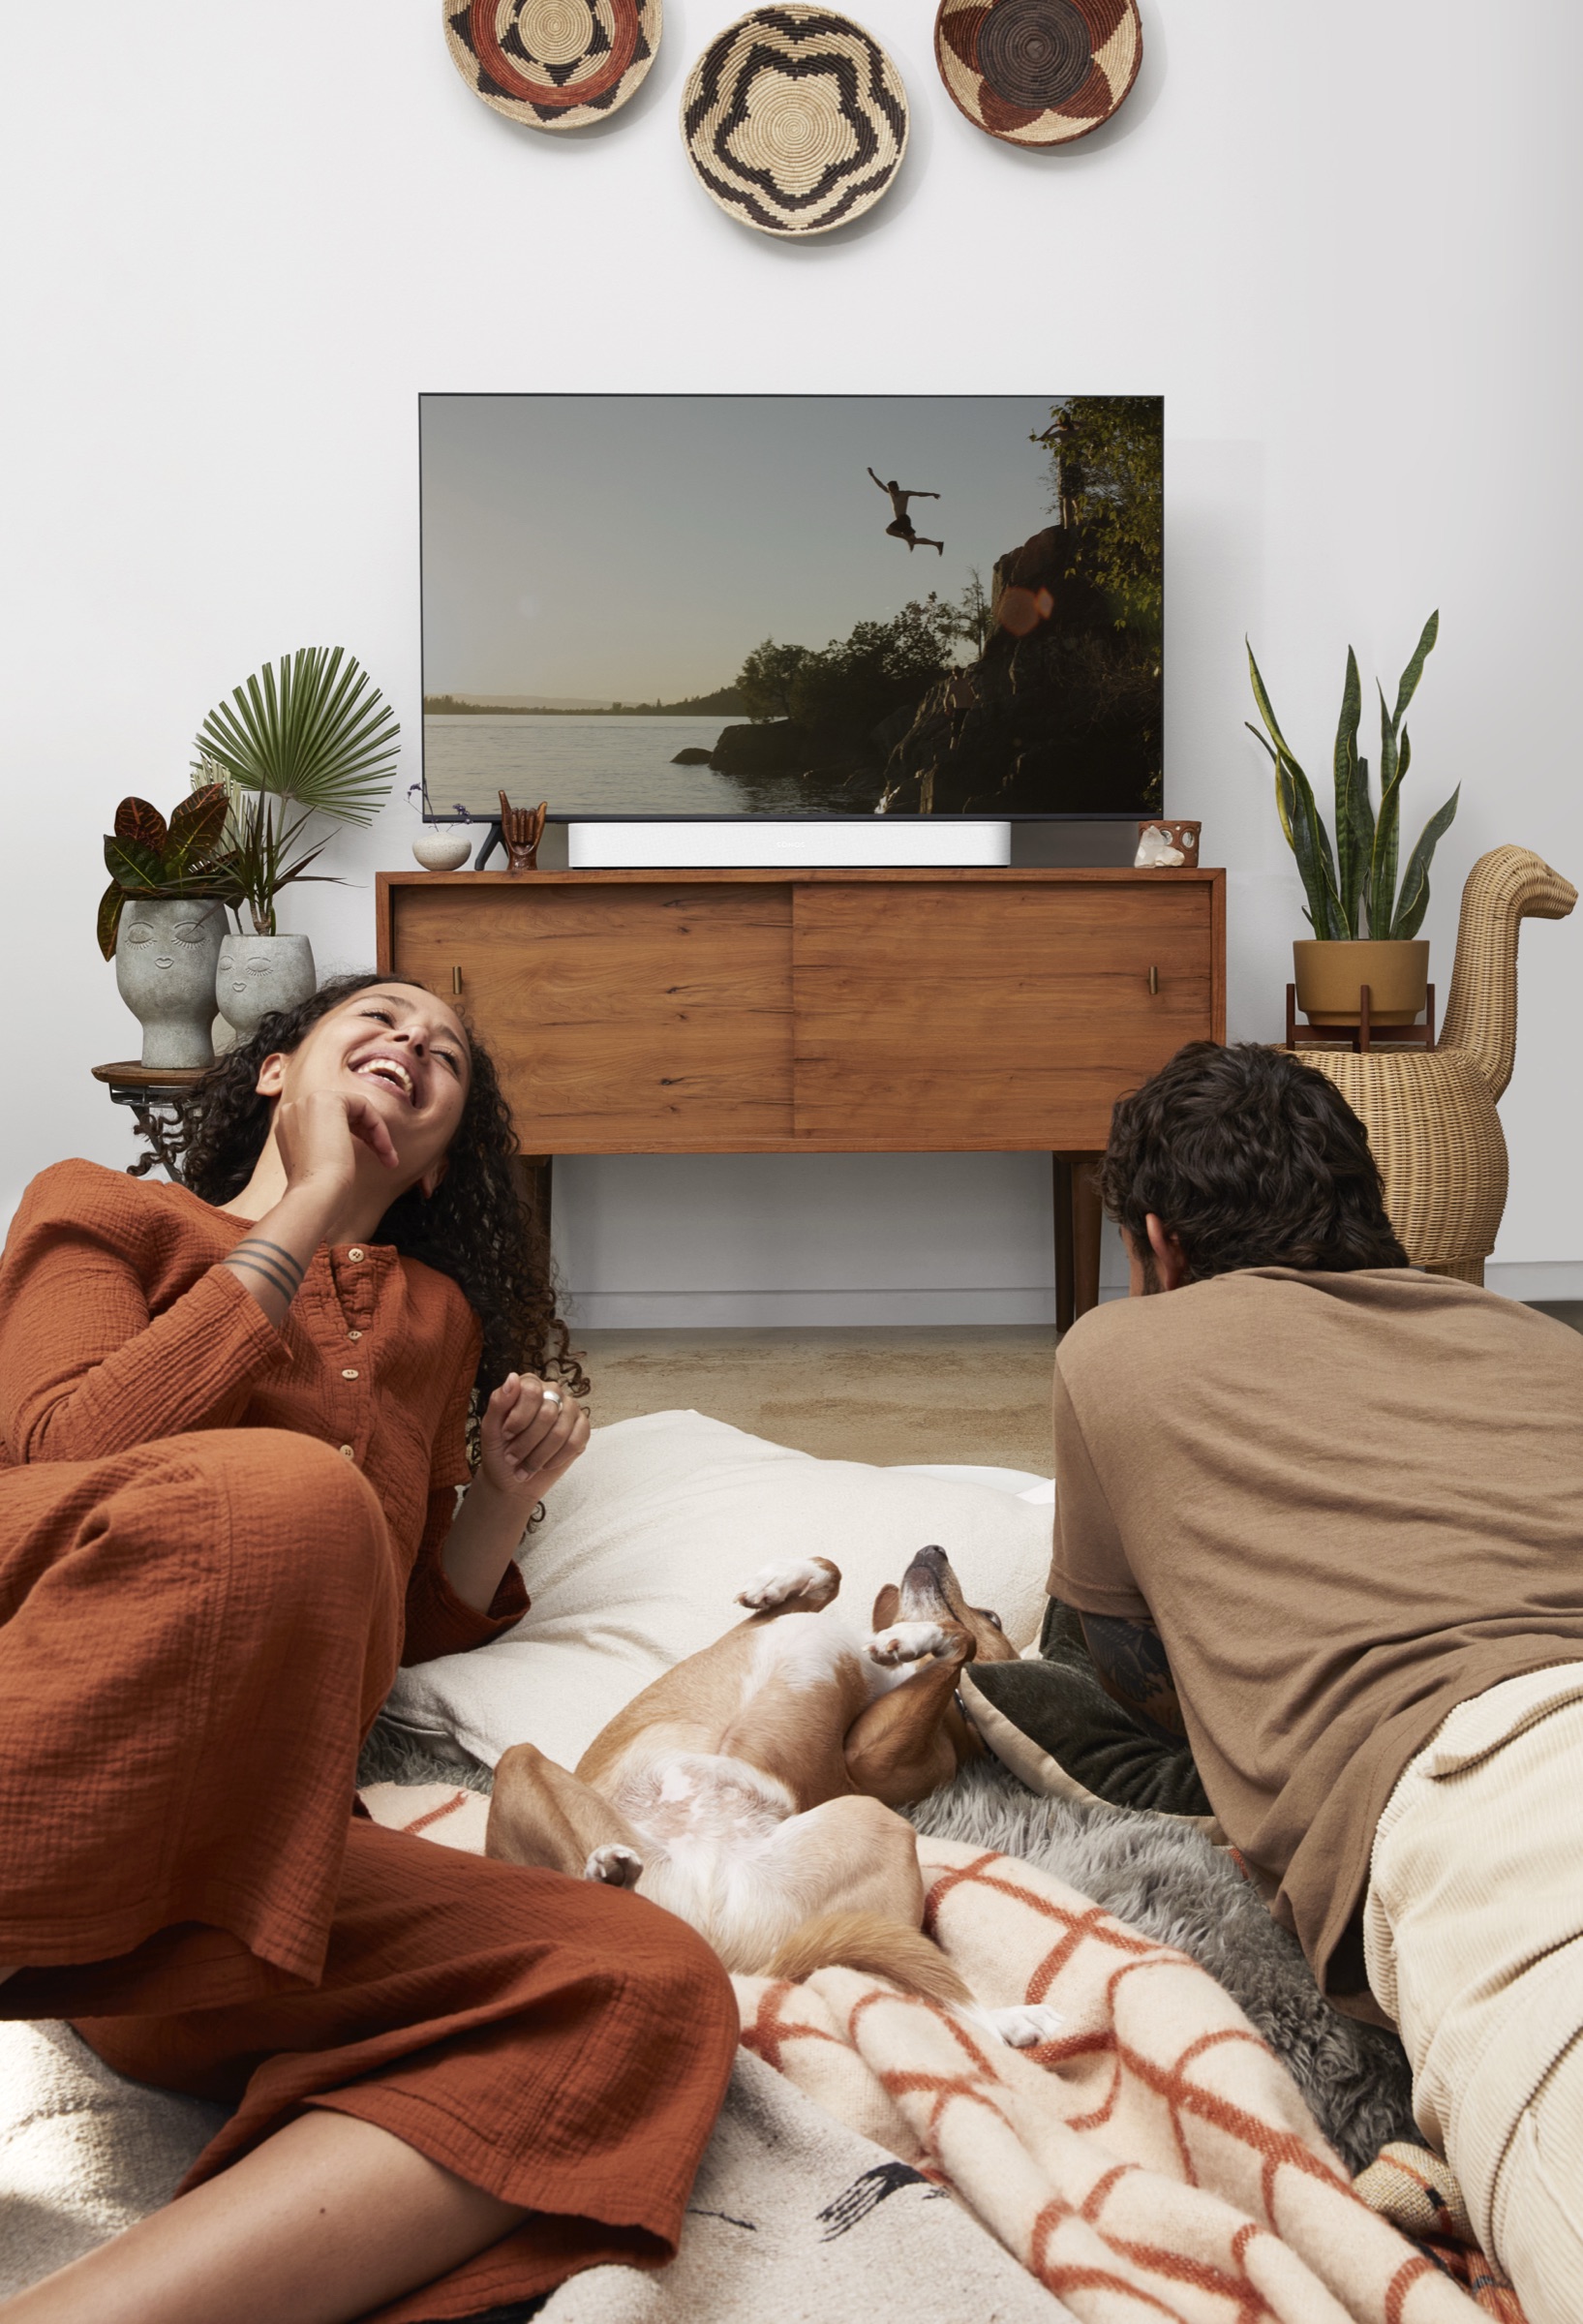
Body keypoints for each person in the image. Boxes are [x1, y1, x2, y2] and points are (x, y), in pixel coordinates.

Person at [0, 974, 736, 2324]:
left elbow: (386, 1620)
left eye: (444, 1054)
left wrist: (501, 1498)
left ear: (444, 1157)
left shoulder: (432, 1322)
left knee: (650, 1984)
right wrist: (311, 1211)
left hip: (239, 1893)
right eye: (379, 1023)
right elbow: (58, 1454)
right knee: (291, 1498)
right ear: (275, 1075)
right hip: (65, 1744)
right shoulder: (97, 1208)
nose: (412, 1045)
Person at [1047, 1039, 1583, 2324]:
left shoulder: (1114, 1355)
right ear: (1367, 1205)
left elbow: (1110, 1669)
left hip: (1490, 1805)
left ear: (1156, 1243)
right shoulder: (1542, 1342)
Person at [867, 466, 945, 555]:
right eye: (890, 491)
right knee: (914, 541)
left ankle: (907, 540)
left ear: (897, 488)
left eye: (892, 490)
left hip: (903, 518)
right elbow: (881, 485)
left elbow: (919, 494)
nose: (891, 493)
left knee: (889, 530)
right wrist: (872, 475)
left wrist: (932, 494)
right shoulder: (891, 494)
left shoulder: (905, 494)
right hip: (902, 521)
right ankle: (937, 544)